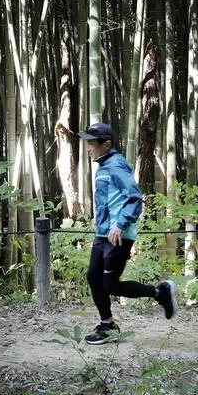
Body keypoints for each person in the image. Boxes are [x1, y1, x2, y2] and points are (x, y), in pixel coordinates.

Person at [77, 122, 177, 344]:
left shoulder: (116, 165)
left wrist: (120, 224)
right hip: (103, 234)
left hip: (118, 235)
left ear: (107, 144)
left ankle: (160, 292)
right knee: (93, 278)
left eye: (91, 143)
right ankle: (107, 325)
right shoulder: (104, 166)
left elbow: (134, 196)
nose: (88, 148)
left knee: (110, 284)